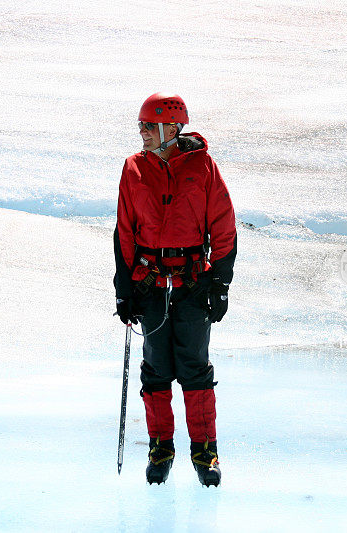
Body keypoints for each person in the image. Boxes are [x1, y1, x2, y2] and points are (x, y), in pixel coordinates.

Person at [113, 92, 237, 486]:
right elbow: (124, 232)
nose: (143, 133)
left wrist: (220, 283)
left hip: (192, 285)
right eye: (141, 126)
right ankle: (160, 448)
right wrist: (124, 287)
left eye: (149, 126)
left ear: (171, 128)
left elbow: (224, 225)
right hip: (149, 284)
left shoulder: (203, 168)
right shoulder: (133, 168)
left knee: (195, 369)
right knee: (156, 370)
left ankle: (205, 452)